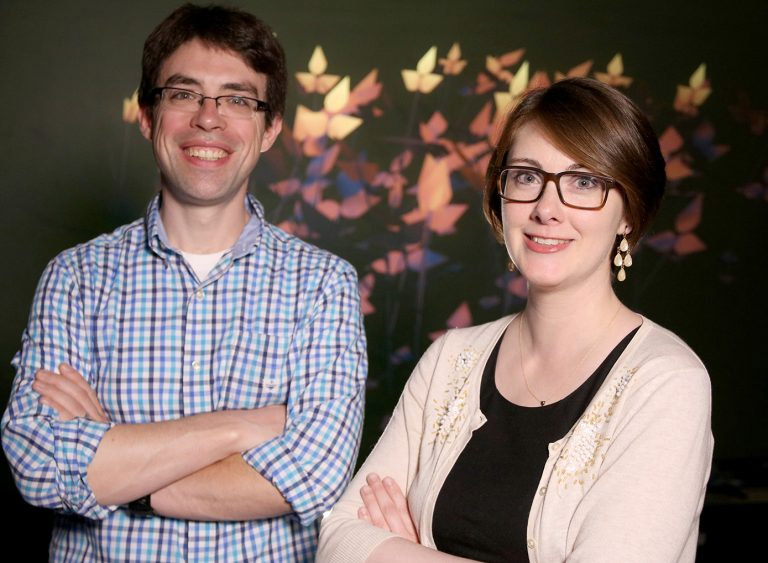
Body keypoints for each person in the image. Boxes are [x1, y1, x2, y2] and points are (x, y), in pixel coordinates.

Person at [2, 4, 367, 561]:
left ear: (270, 130)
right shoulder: (74, 278)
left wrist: (119, 461)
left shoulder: (324, 285)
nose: (208, 119)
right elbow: (38, 464)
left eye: (238, 99)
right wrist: (240, 428)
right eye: (183, 93)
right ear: (148, 116)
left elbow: (315, 476)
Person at [317, 78, 713, 563]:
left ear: (629, 211)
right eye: (527, 176)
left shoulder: (667, 381)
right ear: (500, 196)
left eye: (584, 181)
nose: (547, 209)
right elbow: (339, 537)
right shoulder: (451, 358)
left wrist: (404, 551)